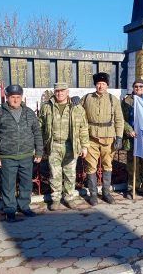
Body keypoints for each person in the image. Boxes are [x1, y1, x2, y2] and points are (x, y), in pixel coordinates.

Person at [0, 84, 43, 222]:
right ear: (7, 97)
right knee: (8, 185)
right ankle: (10, 209)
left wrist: (39, 152)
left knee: (26, 183)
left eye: (18, 97)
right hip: (7, 157)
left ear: (21, 97)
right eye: (13, 97)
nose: (16, 100)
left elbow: (37, 133)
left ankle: (24, 206)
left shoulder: (29, 113)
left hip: (26, 156)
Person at [40, 82, 89, 211]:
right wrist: (40, 146)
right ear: (54, 92)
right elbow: (40, 126)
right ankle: (55, 199)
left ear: (67, 92)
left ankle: (69, 198)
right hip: (54, 145)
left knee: (70, 174)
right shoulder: (46, 107)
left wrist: (84, 146)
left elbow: (83, 128)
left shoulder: (77, 108)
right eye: (57, 91)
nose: (59, 93)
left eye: (62, 91)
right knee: (54, 174)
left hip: (70, 145)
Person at [81, 72, 124, 206]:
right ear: (95, 85)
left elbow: (119, 119)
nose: (100, 86)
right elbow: (77, 112)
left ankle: (106, 192)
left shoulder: (113, 99)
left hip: (108, 138)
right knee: (91, 167)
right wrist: (74, 100)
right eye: (98, 84)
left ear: (107, 85)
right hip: (91, 137)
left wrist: (119, 137)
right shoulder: (87, 98)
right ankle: (93, 194)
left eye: (103, 84)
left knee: (108, 165)